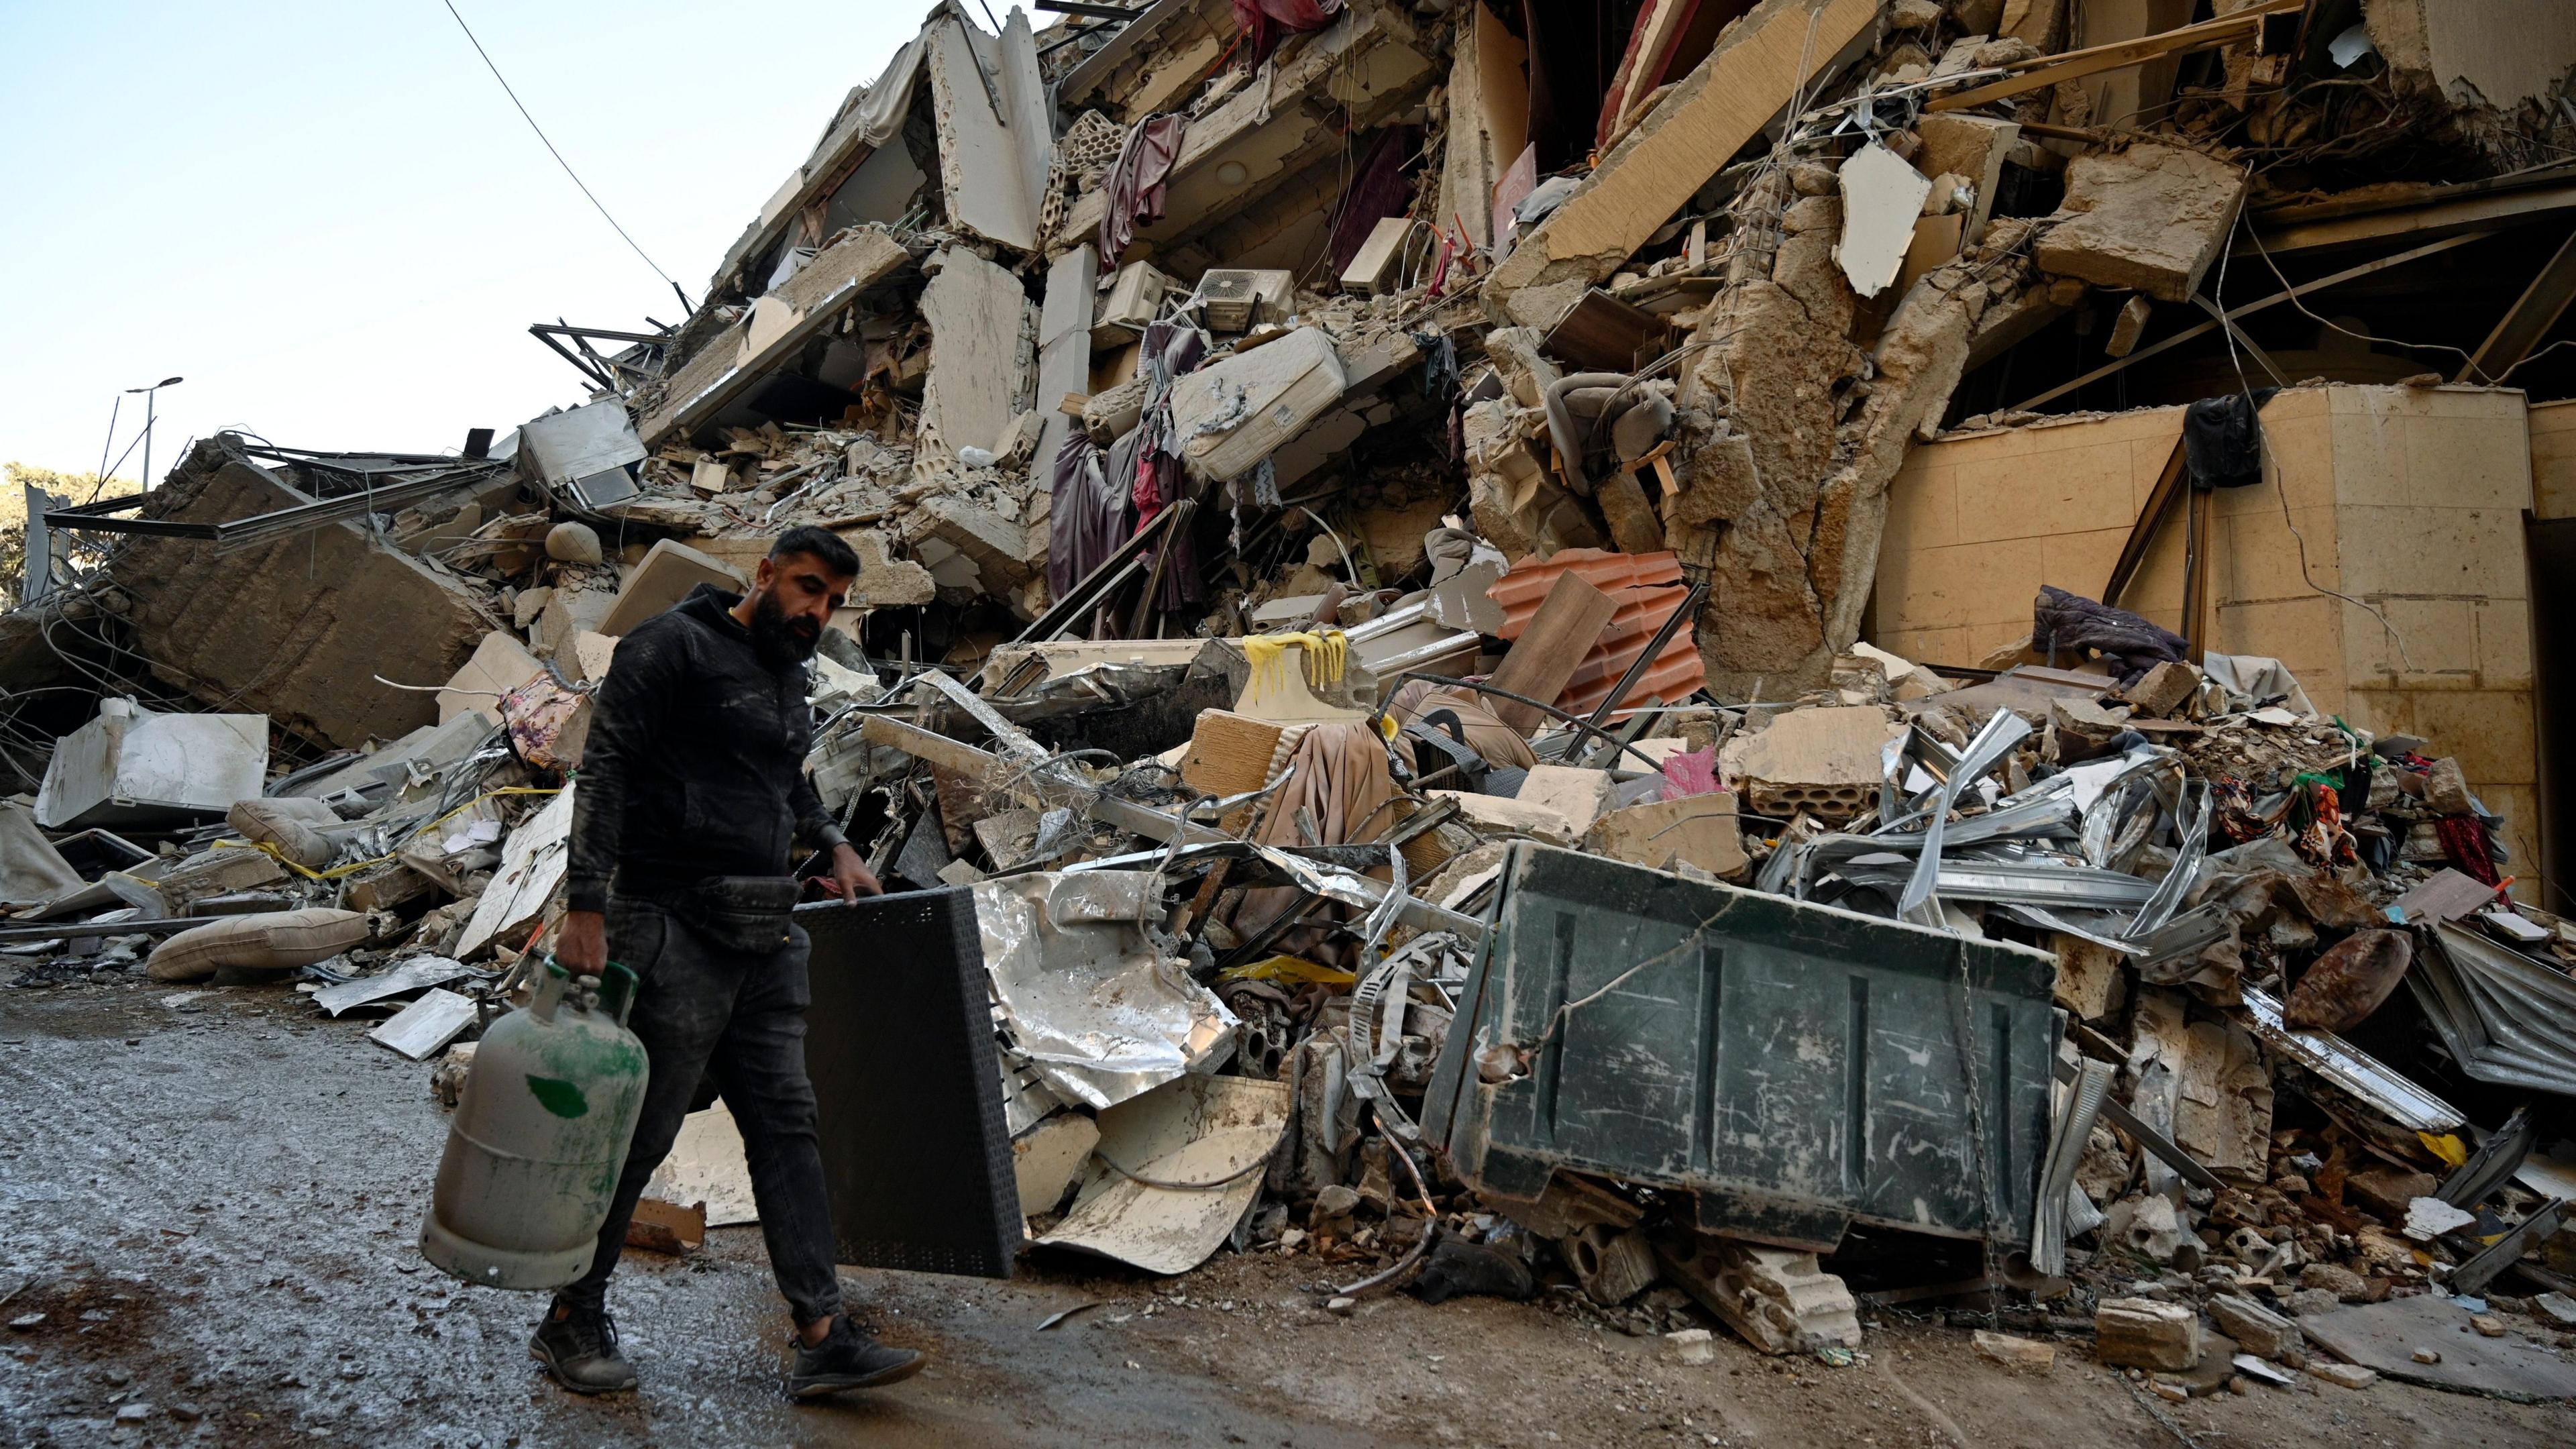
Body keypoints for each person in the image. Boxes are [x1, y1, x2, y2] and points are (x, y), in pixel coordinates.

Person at [534, 526, 922, 1399]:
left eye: (831, 601)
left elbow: (788, 784)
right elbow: (607, 769)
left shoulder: (789, 673)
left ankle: (822, 1335)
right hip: (667, 926)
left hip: (762, 933)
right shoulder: (671, 645)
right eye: (807, 588)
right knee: (643, 1134)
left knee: (789, 1124)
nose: (817, 610)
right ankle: (571, 1315)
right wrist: (586, 904)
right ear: (766, 575)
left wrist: (831, 842)